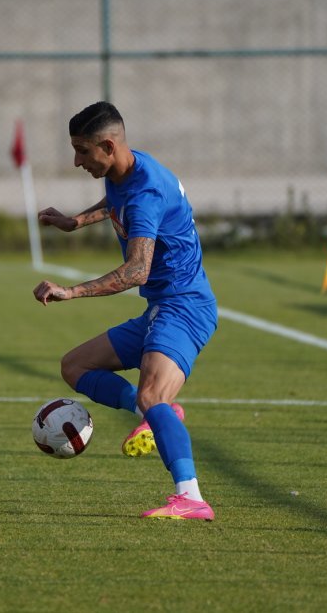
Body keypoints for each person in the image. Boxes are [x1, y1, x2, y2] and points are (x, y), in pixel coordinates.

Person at [33, 101, 217, 521]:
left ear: (108, 146)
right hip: (160, 307)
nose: (76, 161)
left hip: (184, 308)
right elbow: (116, 200)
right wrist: (75, 222)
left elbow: (137, 270)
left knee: (154, 395)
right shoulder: (128, 170)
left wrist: (71, 292)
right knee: (75, 366)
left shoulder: (147, 192)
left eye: (83, 151)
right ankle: (152, 413)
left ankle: (190, 497)